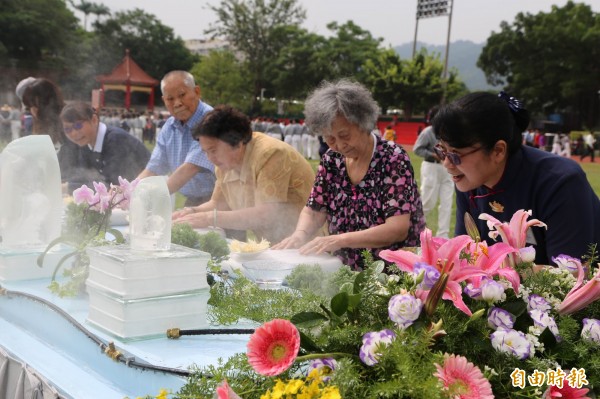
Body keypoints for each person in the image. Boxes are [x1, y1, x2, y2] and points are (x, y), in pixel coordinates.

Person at [432, 91, 600, 265]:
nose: (447, 163)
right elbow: (466, 257)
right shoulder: (469, 181)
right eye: (442, 151)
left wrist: (491, 271)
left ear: (498, 151)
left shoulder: (560, 182)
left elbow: (570, 275)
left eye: (455, 155)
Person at [273, 80, 425, 270]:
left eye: (344, 135)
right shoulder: (332, 159)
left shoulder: (392, 158)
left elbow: (397, 228)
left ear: (363, 123)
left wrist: (340, 239)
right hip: (343, 268)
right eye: (329, 139)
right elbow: (314, 209)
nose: (339, 145)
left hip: (391, 273)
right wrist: (300, 234)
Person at [172, 105, 315, 243]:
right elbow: (219, 203)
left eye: (213, 150)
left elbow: (267, 214)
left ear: (237, 142)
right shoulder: (223, 165)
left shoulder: (270, 154)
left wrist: (210, 218)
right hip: (276, 246)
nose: (210, 158)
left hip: (307, 242)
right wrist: (192, 211)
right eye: (206, 152)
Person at [136, 71, 216, 206]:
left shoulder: (211, 119)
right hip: (193, 201)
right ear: (164, 101)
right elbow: (153, 169)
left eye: (182, 95)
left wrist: (150, 198)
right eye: (170, 99)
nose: (177, 103)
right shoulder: (169, 127)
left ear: (197, 91)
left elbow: (190, 168)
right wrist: (128, 191)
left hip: (220, 200)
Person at [60, 102, 150, 190]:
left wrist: (69, 187)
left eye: (78, 126)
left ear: (94, 120)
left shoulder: (116, 140)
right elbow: (83, 176)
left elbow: (111, 185)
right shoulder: (85, 143)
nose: (74, 133)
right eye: (67, 129)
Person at [20, 78, 79, 182]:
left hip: (66, 183)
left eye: (35, 105)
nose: (33, 111)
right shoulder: (34, 125)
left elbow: (74, 165)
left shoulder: (68, 123)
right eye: (30, 107)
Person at [413, 105, 454, 238]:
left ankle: (443, 235)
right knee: (427, 201)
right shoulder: (428, 132)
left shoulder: (451, 132)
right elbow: (417, 149)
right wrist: (433, 154)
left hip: (447, 168)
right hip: (431, 167)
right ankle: (415, 230)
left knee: (447, 203)